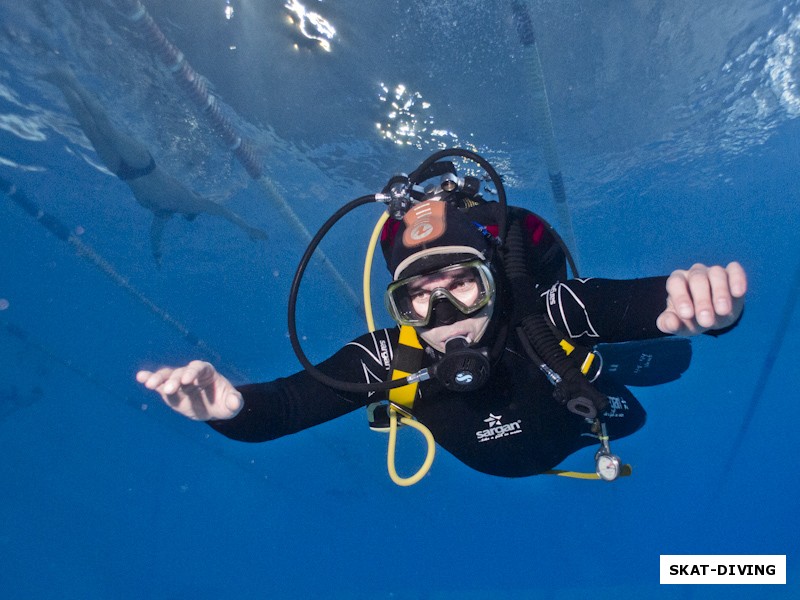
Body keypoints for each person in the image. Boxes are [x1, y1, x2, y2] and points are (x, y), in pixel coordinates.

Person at [136, 157, 747, 479]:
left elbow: (651, 303)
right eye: (420, 297)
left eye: (463, 285)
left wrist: (711, 307)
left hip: (579, 419)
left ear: (495, 281)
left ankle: (594, 361)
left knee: (629, 414)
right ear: (399, 304)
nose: (445, 315)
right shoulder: (390, 356)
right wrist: (230, 408)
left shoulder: (546, 309)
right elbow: (286, 409)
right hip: (496, 464)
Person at [42, 68, 267, 265]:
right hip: (142, 163)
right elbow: (223, 211)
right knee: (104, 127)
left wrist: (156, 254)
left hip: (123, 171)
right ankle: (71, 80)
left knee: (90, 129)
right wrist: (247, 228)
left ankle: (62, 84)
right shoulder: (191, 201)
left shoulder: (163, 213)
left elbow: (155, 235)